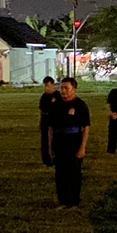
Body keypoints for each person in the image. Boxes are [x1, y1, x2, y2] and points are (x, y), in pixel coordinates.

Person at [47, 77, 91, 207]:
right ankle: (63, 200)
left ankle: (74, 201)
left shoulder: (80, 105)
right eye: (62, 88)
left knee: (73, 172)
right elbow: (51, 127)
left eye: (66, 88)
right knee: (60, 173)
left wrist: (83, 147)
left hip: (74, 141)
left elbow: (86, 127)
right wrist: (50, 146)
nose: (63, 91)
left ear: (74, 89)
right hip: (60, 141)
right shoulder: (56, 105)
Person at [38, 76, 60, 167]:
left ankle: (55, 157)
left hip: (54, 119)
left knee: (54, 139)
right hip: (45, 120)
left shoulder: (58, 95)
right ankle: (46, 159)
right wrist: (41, 121)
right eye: (45, 86)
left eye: (48, 86)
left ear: (53, 85)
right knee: (45, 140)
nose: (47, 88)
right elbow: (41, 110)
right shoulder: (44, 96)